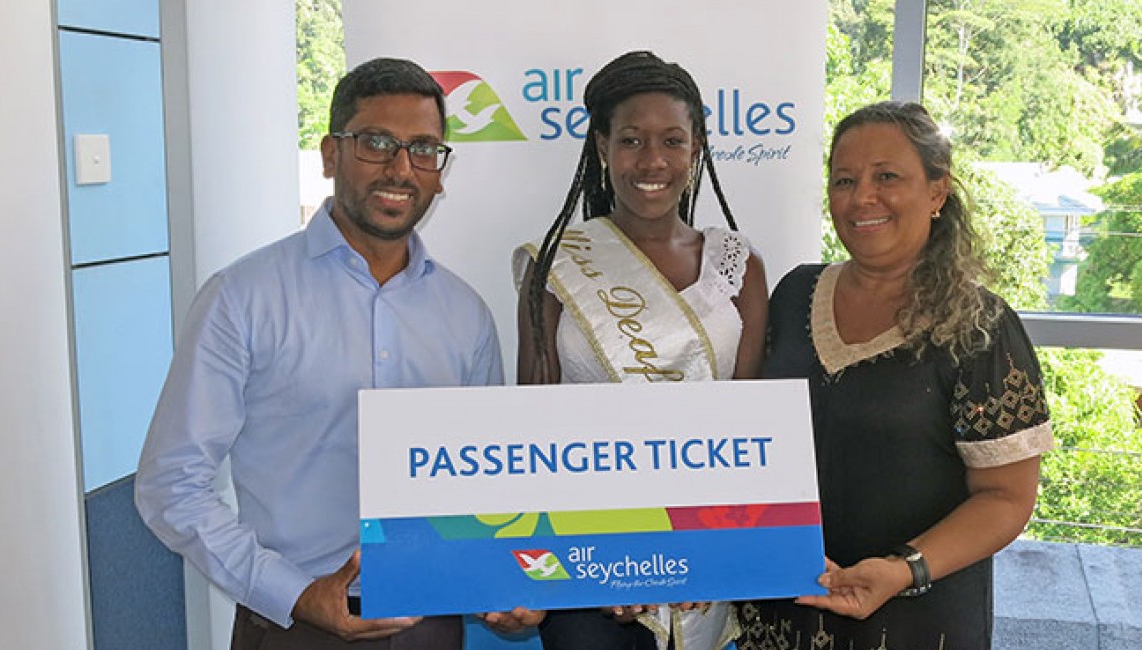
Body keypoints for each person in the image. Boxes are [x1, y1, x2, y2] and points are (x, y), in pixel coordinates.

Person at [135, 58, 533, 649]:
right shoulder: (241, 298)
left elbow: (487, 484)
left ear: (441, 171)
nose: (402, 168)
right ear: (330, 155)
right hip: (294, 625)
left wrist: (509, 579)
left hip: (433, 624)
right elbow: (171, 484)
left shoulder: (465, 314)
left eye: (424, 148)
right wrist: (292, 592)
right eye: (377, 143)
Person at [738, 101, 1055, 649]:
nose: (862, 197)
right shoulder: (793, 295)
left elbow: (1007, 498)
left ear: (937, 192)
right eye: (844, 180)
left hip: (915, 621)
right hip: (778, 617)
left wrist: (903, 568)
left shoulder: (981, 328)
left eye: (887, 176)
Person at [513, 51, 769, 650]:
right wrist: (606, 562)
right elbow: (534, 431)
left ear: (697, 146)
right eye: (631, 140)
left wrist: (710, 553)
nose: (652, 161)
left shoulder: (739, 266)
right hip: (589, 568)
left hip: (705, 560)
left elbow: (753, 430)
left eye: (672, 140)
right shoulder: (556, 267)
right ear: (601, 146)